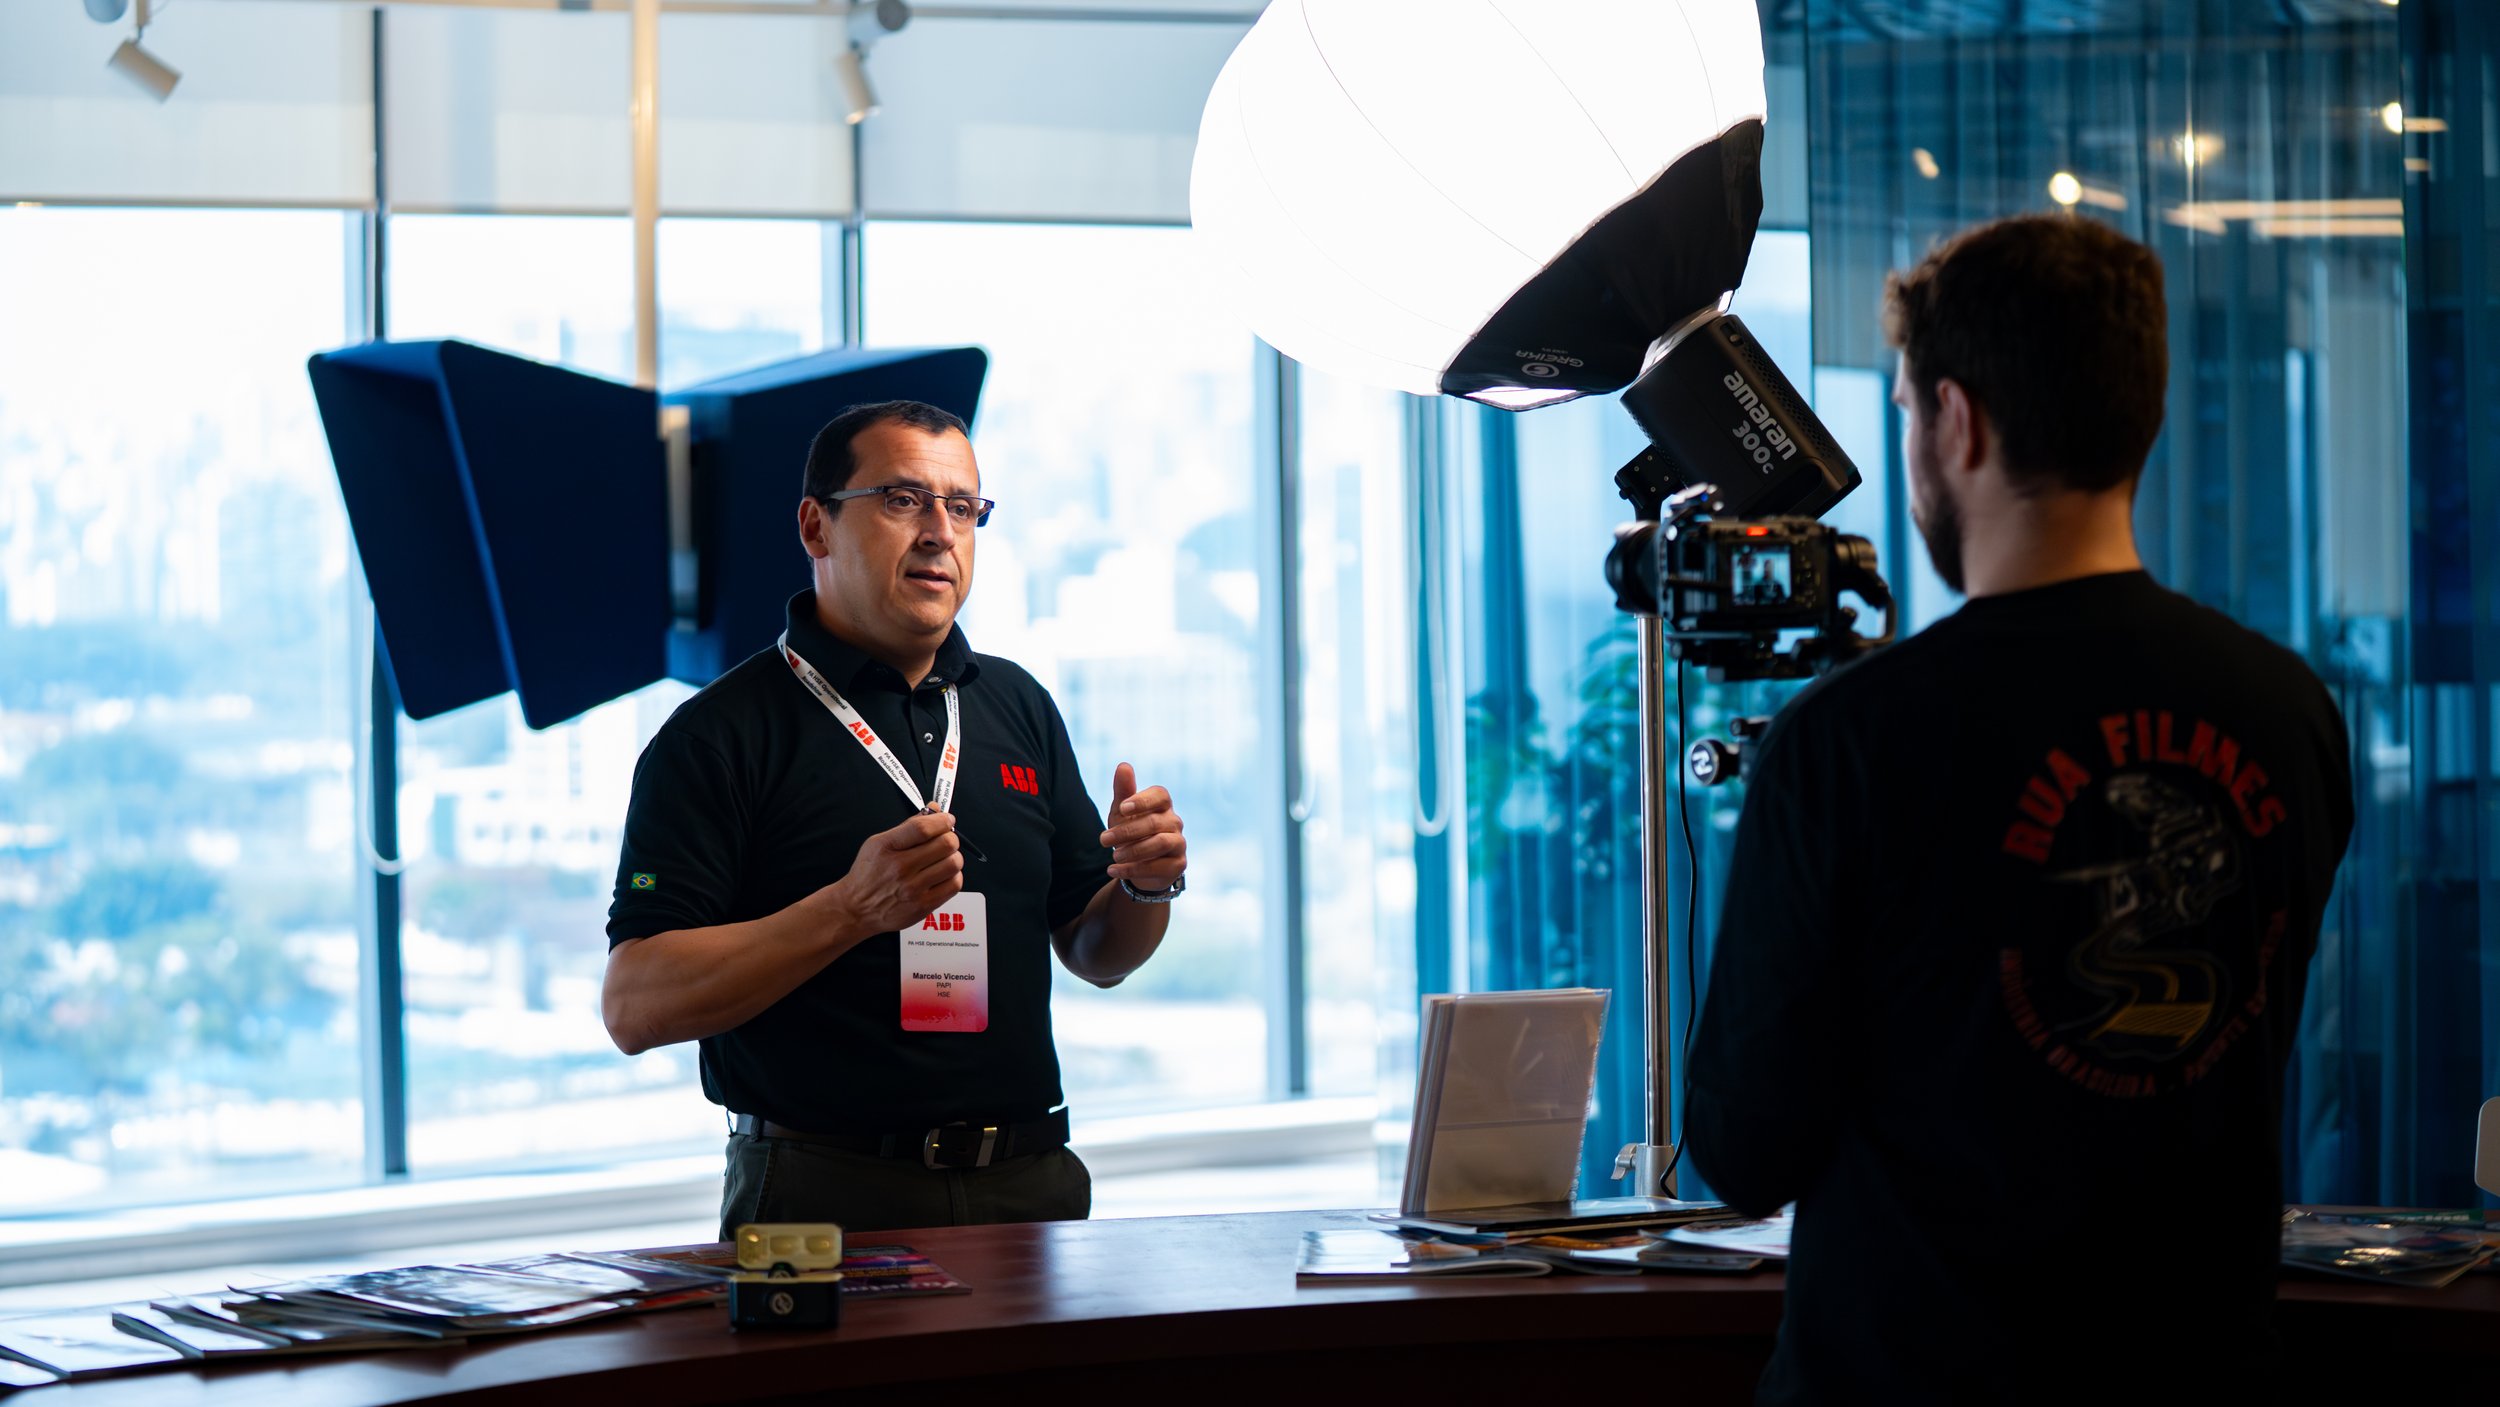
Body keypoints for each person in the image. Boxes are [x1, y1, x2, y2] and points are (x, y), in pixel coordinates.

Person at [1684, 215, 2353, 1403]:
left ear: (1957, 420)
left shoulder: (1845, 742)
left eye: (1905, 409)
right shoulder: (2287, 712)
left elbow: (1744, 1153)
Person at [599, 400, 1189, 1237]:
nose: (940, 532)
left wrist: (1146, 885)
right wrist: (848, 910)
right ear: (817, 526)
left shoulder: (1018, 704)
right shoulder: (717, 736)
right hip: (821, 1194)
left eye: (963, 507)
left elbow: (1097, 953)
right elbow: (633, 1005)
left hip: (1029, 1187)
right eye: (904, 500)